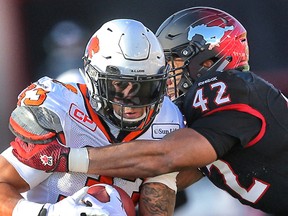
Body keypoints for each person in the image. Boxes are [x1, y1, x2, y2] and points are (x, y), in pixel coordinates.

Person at [10, 7, 288, 215]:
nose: (167, 76)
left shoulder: (233, 88)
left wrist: (63, 158)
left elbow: (165, 158)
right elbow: (157, 179)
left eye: (173, 61)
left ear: (208, 61)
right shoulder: (198, 123)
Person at [0, 19, 192, 216]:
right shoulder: (64, 111)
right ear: (94, 78)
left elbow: (156, 206)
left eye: (146, 87)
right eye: (119, 85)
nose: (133, 101)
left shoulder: (167, 119)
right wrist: (47, 213)